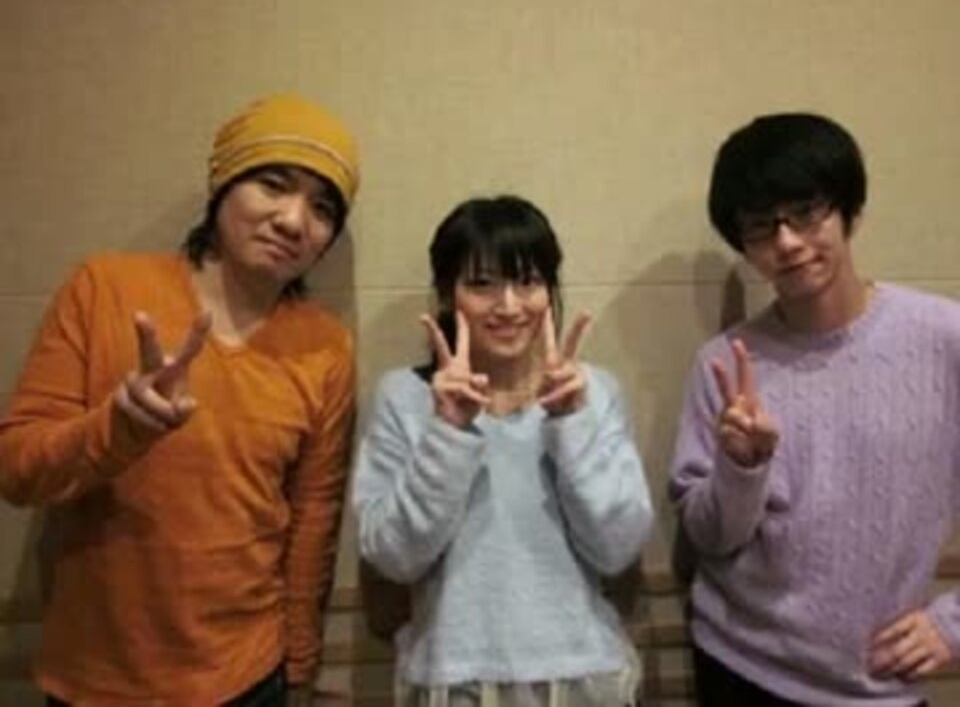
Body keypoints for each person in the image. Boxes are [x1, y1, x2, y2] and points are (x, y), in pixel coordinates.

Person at [0, 94, 360, 705]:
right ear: (223, 185)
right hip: (96, 677)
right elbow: (16, 471)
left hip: (249, 676)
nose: (294, 221)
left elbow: (312, 519)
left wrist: (300, 664)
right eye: (273, 185)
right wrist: (117, 428)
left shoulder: (326, 347)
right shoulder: (104, 289)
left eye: (323, 208)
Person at [669, 112, 960, 706]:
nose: (787, 243)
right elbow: (707, 537)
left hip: (880, 683)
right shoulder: (724, 363)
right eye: (761, 227)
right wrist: (741, 467)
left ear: (850, 210)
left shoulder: (944, 339)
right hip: (741, 664)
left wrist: (953, 624)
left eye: (806, 213)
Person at [352, 195, 654, 706]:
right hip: (455, 682)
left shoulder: (594, 393)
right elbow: (393, 557)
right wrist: (447, 432)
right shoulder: (404, 397)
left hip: (586, 678)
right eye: (482, 284)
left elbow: (617, 548)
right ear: (447, 294)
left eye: (528, 281)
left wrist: (571, 423)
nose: (510, 306)